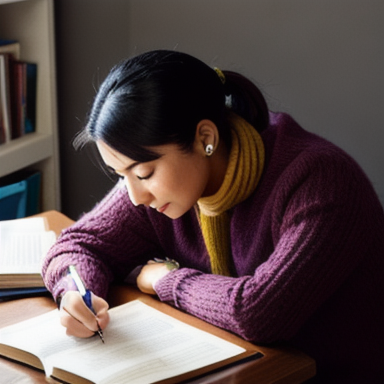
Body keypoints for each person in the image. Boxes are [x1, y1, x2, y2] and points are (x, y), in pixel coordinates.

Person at [42, 50, 384, 384]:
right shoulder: (167, 188)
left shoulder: (321, 181)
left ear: (205, 138)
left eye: (143, 173)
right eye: (121, 175)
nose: (134, 196)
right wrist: (75, 292)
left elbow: (259, 314)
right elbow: (78, 244)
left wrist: (165, 279)